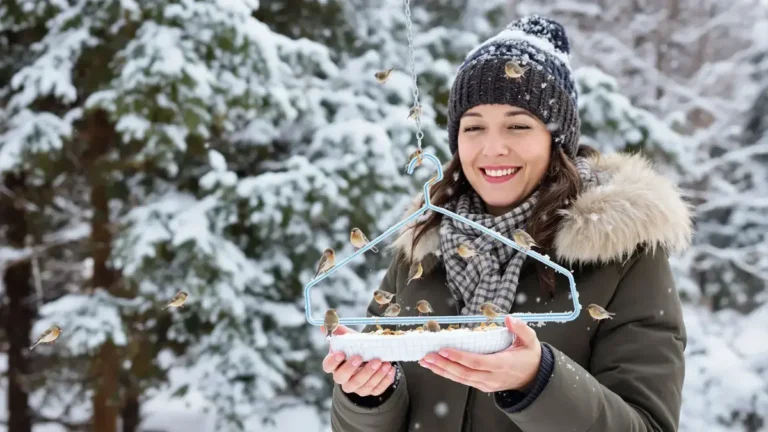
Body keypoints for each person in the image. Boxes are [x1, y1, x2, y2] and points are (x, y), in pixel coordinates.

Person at [322, 15, 691, 432]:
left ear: (556, 141)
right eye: (474, 127)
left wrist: (539, 382)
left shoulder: (622, 255)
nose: (493, 148)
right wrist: (368, 398)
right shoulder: (424, 245)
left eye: (518, 125)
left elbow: (648, 426)